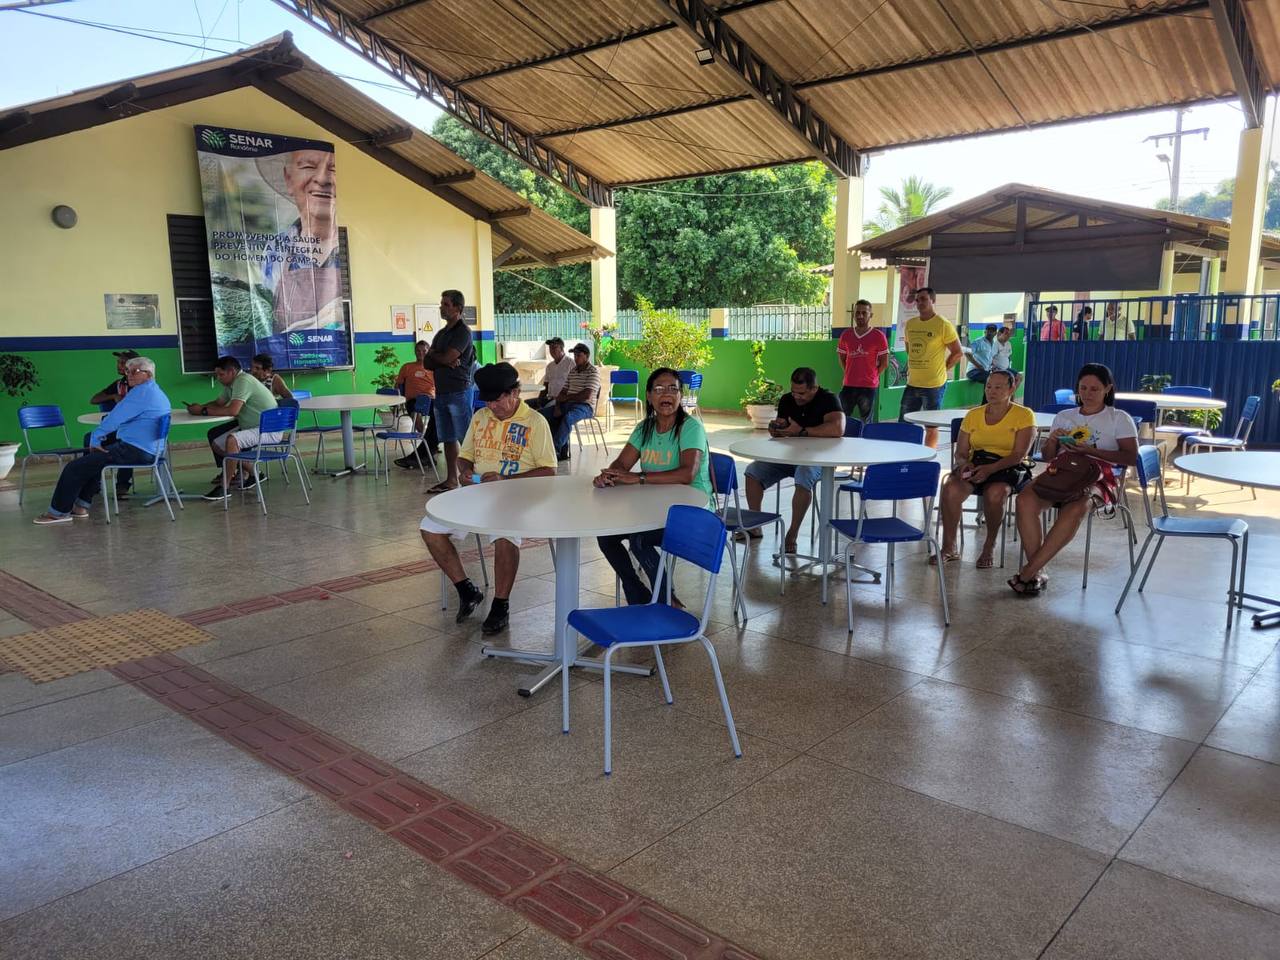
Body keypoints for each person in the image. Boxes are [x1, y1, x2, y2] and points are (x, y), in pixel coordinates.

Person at [419, 363, 556, 634]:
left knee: (504, 536)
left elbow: (549, 471)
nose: (492, 406)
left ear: (515, 392)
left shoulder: (535, 422)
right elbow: (465, 456)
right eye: (488, 401)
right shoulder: (480, 417)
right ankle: (466, 590)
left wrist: (506, 480)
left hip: (518, 496)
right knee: (430, 528)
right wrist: (465, 470)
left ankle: (501, 604)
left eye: (497, 400)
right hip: (478, 492)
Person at [1010, 362, 1138, 596]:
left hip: (1099, 476)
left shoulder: (1118, 418)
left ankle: (1029, 572)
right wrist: (1053, 440)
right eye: (1083, 388)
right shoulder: (1064, 416)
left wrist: (1090, 451)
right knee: (1024, 500)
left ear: (1108, 389)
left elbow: (1130, 457)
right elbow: (1048, 457)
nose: (1087, 394)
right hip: (1061, 472)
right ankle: (1036, 571)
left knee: (1076, 508)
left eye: (1095, 389)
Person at [593, 368, 713, 605]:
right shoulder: (644, 428)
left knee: (639, 539)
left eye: (673, 389)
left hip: (692, 513)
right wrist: (610, 475)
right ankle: (636, 591)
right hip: (654, 509)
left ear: (680, 396)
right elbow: (622, 463)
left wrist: (639, 478)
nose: (666, 395)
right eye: (659, 389)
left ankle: (666, 597)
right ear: (648, 396)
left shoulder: (691, 428)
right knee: (606, 535)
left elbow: (687, 474)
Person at [34, 357, 170, 524]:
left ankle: (58, 513)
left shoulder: (142, 393)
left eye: (134, 371)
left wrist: (96, 437)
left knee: (73, 468)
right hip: (149, 450)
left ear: (147, 374)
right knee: (94, 462)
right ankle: (81, 507)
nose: (128, 375)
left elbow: (115, 418)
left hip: (136, 450)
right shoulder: (154, 391)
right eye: (127, 371)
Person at [936, 370, 1036, 568]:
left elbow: (1018, 454)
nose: (992, 391)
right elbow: (961, 452)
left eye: (998, 387)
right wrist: (964, 464)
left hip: (1008, 467)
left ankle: (989, 544)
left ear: (1011, 389)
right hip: (977, 464)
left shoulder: (1024, 415)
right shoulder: (973, 415)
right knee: (950, 488)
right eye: (989, 386)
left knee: (995, 494)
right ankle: (949, 546)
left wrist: (990, 469)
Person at [744, 367, 845, 555]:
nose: (796, 397)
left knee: (804, 475)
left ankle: (792, 533)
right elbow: (783, 426)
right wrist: (777, 428)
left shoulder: (828, 399)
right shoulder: (787, 400)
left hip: (818, 459)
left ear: (814, 388)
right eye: (794, 392)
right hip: (787, 456)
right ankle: (755, 526)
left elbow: (838, 429)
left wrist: (802, 431)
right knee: (753, 471)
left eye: (802, 393)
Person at [258, 148, 342, 333]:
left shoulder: (353, 247)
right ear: (289, 179)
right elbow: (265, 316)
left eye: (333, 169)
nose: (322, 179)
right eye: (308, 166)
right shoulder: (276, 248)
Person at [188, 356, 280, 500]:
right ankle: (255, 474)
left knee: (232, 440)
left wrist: (203, 411)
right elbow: (219, 403)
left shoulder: (243, 381)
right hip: (253, 426)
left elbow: (233, 411)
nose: (218, 378)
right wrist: (200, 407)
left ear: (231, 371)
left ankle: (224, 488)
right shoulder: (231, 384)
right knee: (217, 443)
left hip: (268, 429)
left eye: (221, 374)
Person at [423, 289, 475, 493]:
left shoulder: (463, 332)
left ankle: (473, 479)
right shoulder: (441, 333)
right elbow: (427, 362)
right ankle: (452, 479)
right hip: (441, 392)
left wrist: (438, 356)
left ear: (457, 308)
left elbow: (444, 358)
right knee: (448, 438)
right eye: (441, 304)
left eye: (446, 304)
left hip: (459, 392)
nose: (441, 308)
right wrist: (440, 357)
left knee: (465, 439)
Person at [900, 286, 961, 448]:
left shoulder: (943, 324)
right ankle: (904, 454)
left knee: (931, 426)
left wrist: (942, 368)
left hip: (934, 385)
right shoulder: (911, 324)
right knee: (904, 424)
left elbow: (957, 352)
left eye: (924, 299)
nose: (919, 303)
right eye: (917, 300)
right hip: (912, 383)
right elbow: (909, 349)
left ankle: (928, 455)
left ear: (933, 300)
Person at [87, 349, 140, 498]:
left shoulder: (141, 386)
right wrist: (113, 396)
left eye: (122, 363)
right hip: (118, 427)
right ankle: (93, 482)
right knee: (90, 439)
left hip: (135, 431)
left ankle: (122, 484)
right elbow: (94, 399)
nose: (119, 365)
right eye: (118, 362)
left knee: (125, 440)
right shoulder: (119, 384)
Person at [538, 342, 600, 462]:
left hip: (585, 407)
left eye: (579, 355)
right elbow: (562, 392)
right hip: (567, 404)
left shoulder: (593, 372)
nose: (576, 358)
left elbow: (586, 396)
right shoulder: (573, 371)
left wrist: (566, 398)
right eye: (575, 355)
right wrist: (557, 406)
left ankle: (554, 450)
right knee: (541, 415)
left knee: (568, 418)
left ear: (586, 356)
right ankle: (550, 449)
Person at [836, 299, 888, 422]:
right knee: (842, 419)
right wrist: (849, 373)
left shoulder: (878, 336)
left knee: (866, 421)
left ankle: (864, 435)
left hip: (868, 387)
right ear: (853, 314)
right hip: (848, 385)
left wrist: (872, 376)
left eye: (864, 313)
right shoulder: (846, 335)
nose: (860, 316)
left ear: (871, 315)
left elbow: (884, 363)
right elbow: (842, 359)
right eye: (857, 313)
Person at [393, 339, 440, 469]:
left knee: (439, 417)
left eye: (424, 351)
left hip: (430, 400)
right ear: (414, 352)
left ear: (429, 352)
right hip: (412, 400)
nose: (421, 353)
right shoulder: (407, 367)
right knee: (415, 410)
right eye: (418, 351)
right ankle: (427, 447)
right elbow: (398, 385)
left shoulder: (434, 369)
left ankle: (426, 449)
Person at [527, 337, 573, 413]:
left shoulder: (570, 363)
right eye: (550, 348)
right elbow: (546, 385)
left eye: (554, 348)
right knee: (525, 405)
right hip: (549, 398)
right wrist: (539, 399)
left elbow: (574, 385)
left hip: (563, 401)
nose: (552, 350)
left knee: (541, 412)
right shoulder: (550, 366)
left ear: (561, 349)